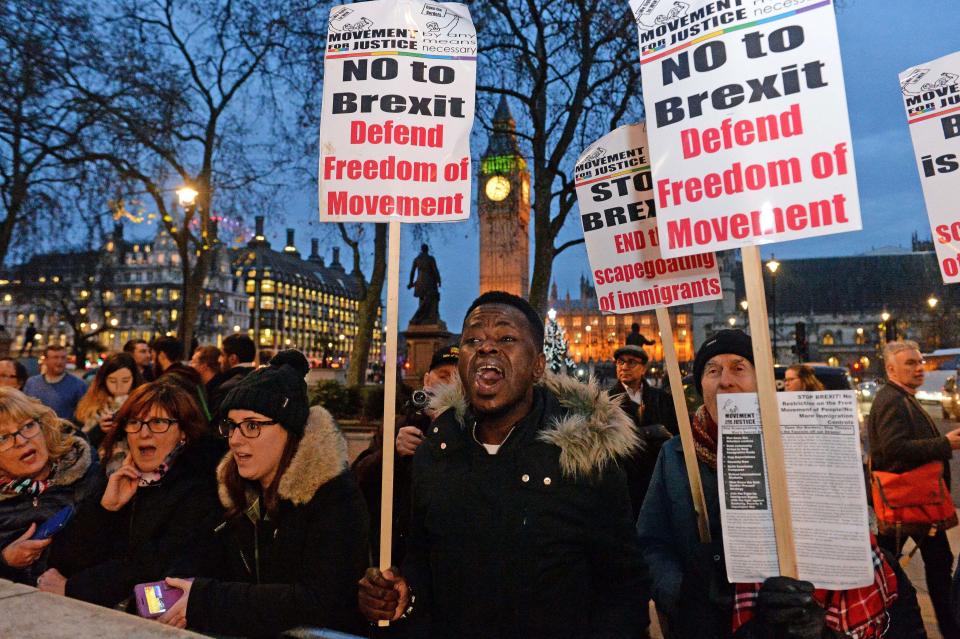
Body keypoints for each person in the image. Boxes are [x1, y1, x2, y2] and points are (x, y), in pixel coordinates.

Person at [358, 291, 646, 638]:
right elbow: (422, 560)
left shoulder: (585, 457)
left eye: (506, 338)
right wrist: (403, 597)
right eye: (473, 339)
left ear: (538, 365)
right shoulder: (436, 449)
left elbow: (623, 588)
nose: (486, 348)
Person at [638, 330, 926, 639]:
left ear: (760, 380)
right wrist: (683, 594)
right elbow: (652, 542)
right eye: (712, 371)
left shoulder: (799, 443)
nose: (725, 381)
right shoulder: (675, 454)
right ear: (701, 385)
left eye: (738, 368)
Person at [155, 350, 368, 636]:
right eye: (231, 426)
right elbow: (201, 555)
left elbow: (319, 601)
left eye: (252, 426)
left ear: (290, 430)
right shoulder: (233, 489)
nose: (236, 439)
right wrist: (179, 585)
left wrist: (206, 598)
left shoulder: (335, 497)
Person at [39, 381, 223, 608]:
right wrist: (104, 509)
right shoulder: (114, 475)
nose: (144, 433)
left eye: (158, 422)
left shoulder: (199, 487)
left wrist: (75, 588)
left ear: (183, 433)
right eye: (134, 422)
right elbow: (64, 560)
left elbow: (159, 565)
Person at [868, 340, 960, 639]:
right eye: (910, 363)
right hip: (906, 501)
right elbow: (892, 448)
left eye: (920, 362)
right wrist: (945, 444)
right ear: (891, 368)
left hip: (916, 503)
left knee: (935, 567)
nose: (919, 368)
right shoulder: (891, 400)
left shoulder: (902, 397)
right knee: (891, 570)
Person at [352, 345, 460, 564]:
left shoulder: (474, 429)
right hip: (398, 552)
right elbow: (359, 479)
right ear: (428, 381)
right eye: (444, 376)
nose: (451, 385)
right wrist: (392, 453)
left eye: (458, 379)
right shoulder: (399, 424)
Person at [0, 388, 99, 585]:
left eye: (28, 426)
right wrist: (5, 560)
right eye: (3, 438)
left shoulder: (90, 474)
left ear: (43, 426)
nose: (21, 441)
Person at [75, 353, 143, 450]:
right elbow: (79, 443)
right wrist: (99, 429)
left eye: (125, 381)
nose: (119, 387)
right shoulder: (89, 405)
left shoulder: (143, 403)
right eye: (112, 381)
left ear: (134, 379)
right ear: (103, 380)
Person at [23, 345, 87, 420]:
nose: (60, 362)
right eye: (55, 357)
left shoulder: (78, 385)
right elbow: (25, 409)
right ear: (45, 360)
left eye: (63, 358)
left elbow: (84, 414)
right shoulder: (32, 383)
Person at [207, 334, 256, 415]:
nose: (219, 360)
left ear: (233, 358)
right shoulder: (259, 380)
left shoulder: (226, 388)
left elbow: (217, 424)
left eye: (222, 355)